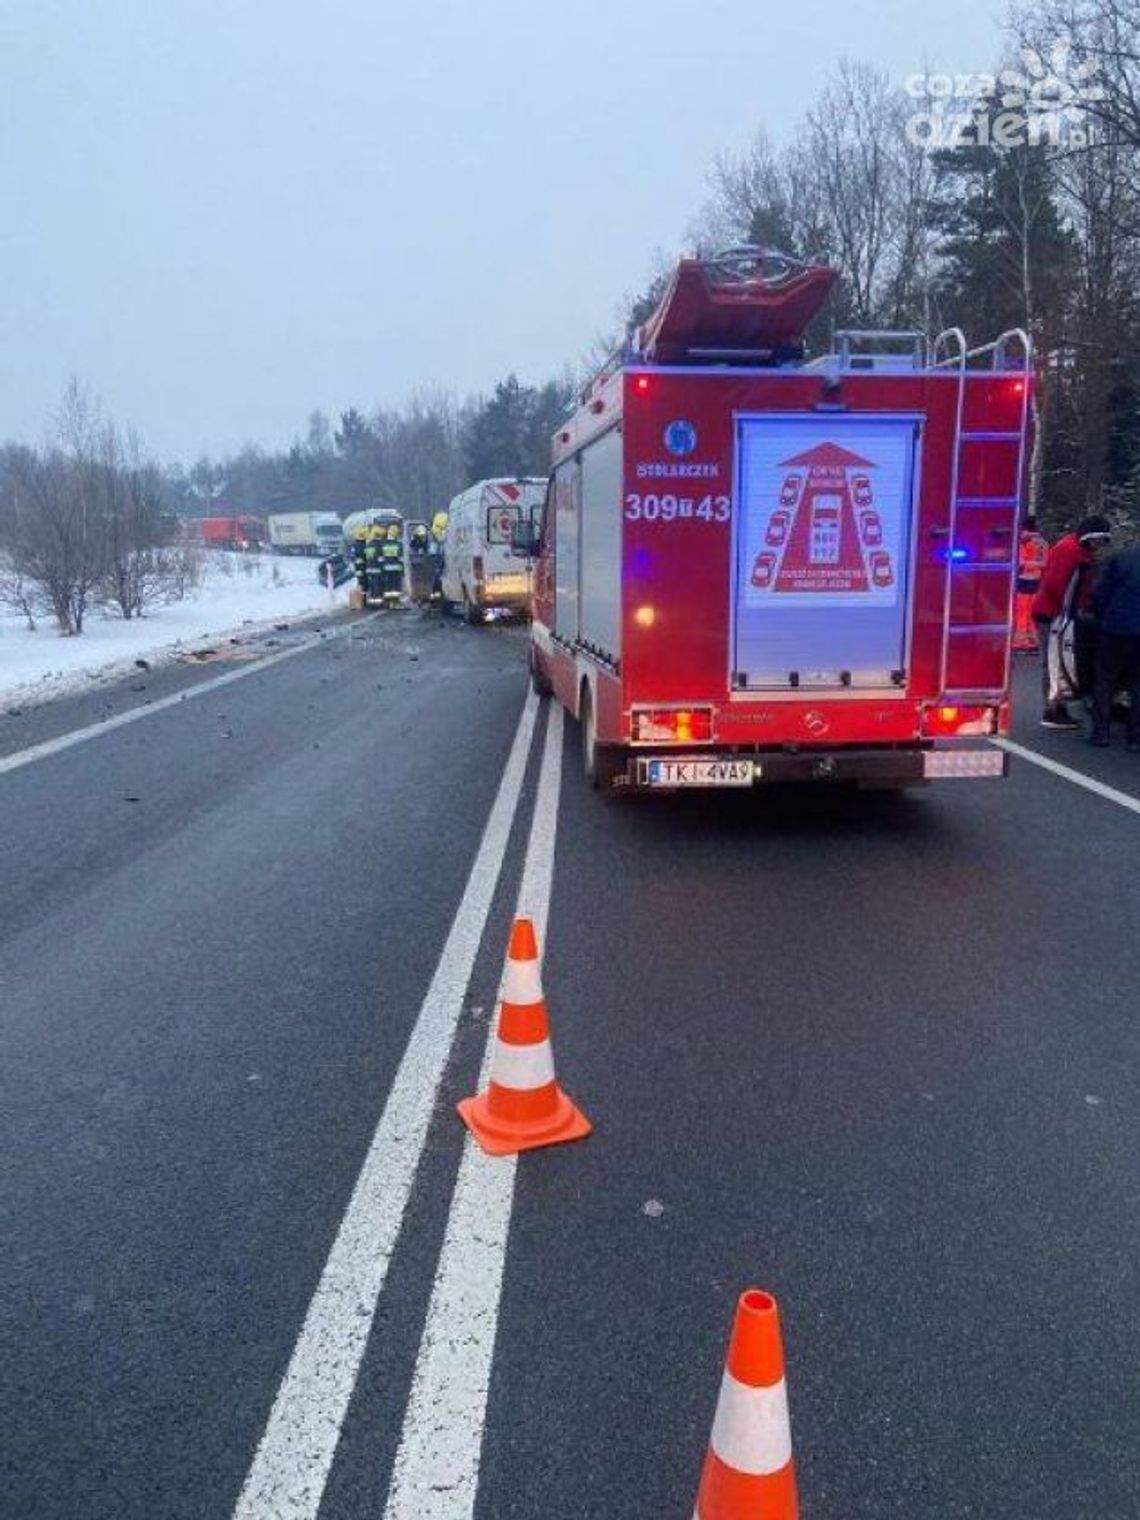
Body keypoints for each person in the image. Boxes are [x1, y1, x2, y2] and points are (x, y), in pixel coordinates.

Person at [1031, 515, 1112, 729]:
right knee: (1053, 661)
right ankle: (1051, 709)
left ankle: (1058, 704)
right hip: (1054, 614)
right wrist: (1066, 613)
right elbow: (1056, 584)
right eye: (1098, 540)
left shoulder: (1080, 550)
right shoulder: (1069, 551)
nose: (1099, 545)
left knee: (1060, 659)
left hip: (1062, 614)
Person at [1089, 540, 1140, 750]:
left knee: (1105, 679)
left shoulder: (1120, 558)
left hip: (1116, 628)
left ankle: (1101, 732)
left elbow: (1100, 592)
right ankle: (1135, 737)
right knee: (1138, 685)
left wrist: (1102, 619)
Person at [1014, 517, 1048, 650]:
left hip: (1022, 579)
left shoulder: (1023, 541)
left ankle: (1021, 640)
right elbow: (1045, 563)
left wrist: (1025, 565)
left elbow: (1019, 562)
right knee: (1032, 611)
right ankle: (1034, 640)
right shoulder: (1043, 543)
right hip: (1036, 580)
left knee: (1021, 611)